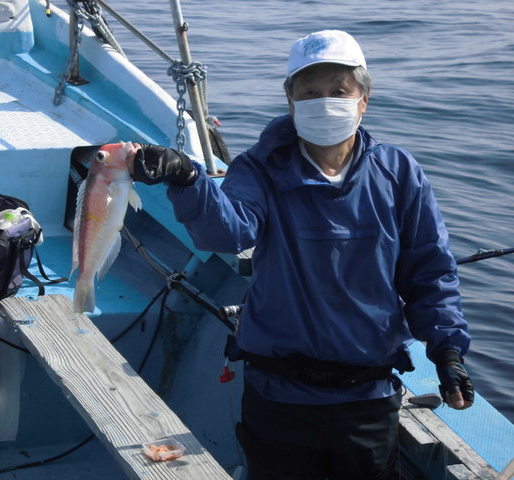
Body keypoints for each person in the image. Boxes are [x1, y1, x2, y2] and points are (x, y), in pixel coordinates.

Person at [131, 29, 474, 480]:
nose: (325, 101)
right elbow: (228, 230)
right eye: (310, 92)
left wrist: (447, 351)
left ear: (363, 99)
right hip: (279, 395)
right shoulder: (260, 167)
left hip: (368, 395)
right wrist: (187, 178)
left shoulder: (398, 173)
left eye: (339, 91)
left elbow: (430, 271)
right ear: (291, 102)